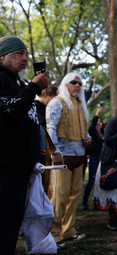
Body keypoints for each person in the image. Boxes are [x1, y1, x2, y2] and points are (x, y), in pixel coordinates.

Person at [0, 35, 49, 255]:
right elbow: (8, 112)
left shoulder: (17, 82)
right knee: (5, 225)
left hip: (21, 168)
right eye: (18, 54)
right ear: (3, 56)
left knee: (13, 222)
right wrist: (32, 88)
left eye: (26, 54)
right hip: (6, 169)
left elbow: (28, 117)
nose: (25, 58)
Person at [46, 72, 92, 249]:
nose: (77, 86)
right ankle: (54, 234)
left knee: (74, 196)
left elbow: (84, 130)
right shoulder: (56, 102)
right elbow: (50, 129)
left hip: (79, 156)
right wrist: (54, 152)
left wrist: (88, 139)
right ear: (66, 84)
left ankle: (69, 230)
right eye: (74, 82)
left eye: (80, 83)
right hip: (62, 158)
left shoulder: (81, 105)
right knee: (59, 196)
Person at [82, 106, 105, 210]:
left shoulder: (103, 133)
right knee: (91, 180)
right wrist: (97, 114)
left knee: (101, 182)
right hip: (94, 158)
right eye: (98, 122)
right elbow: (91, 126)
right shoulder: (93, 132)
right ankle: (84, 202)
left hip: (103, 160)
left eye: (101, 121)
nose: (99, 123)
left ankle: (99, 203)